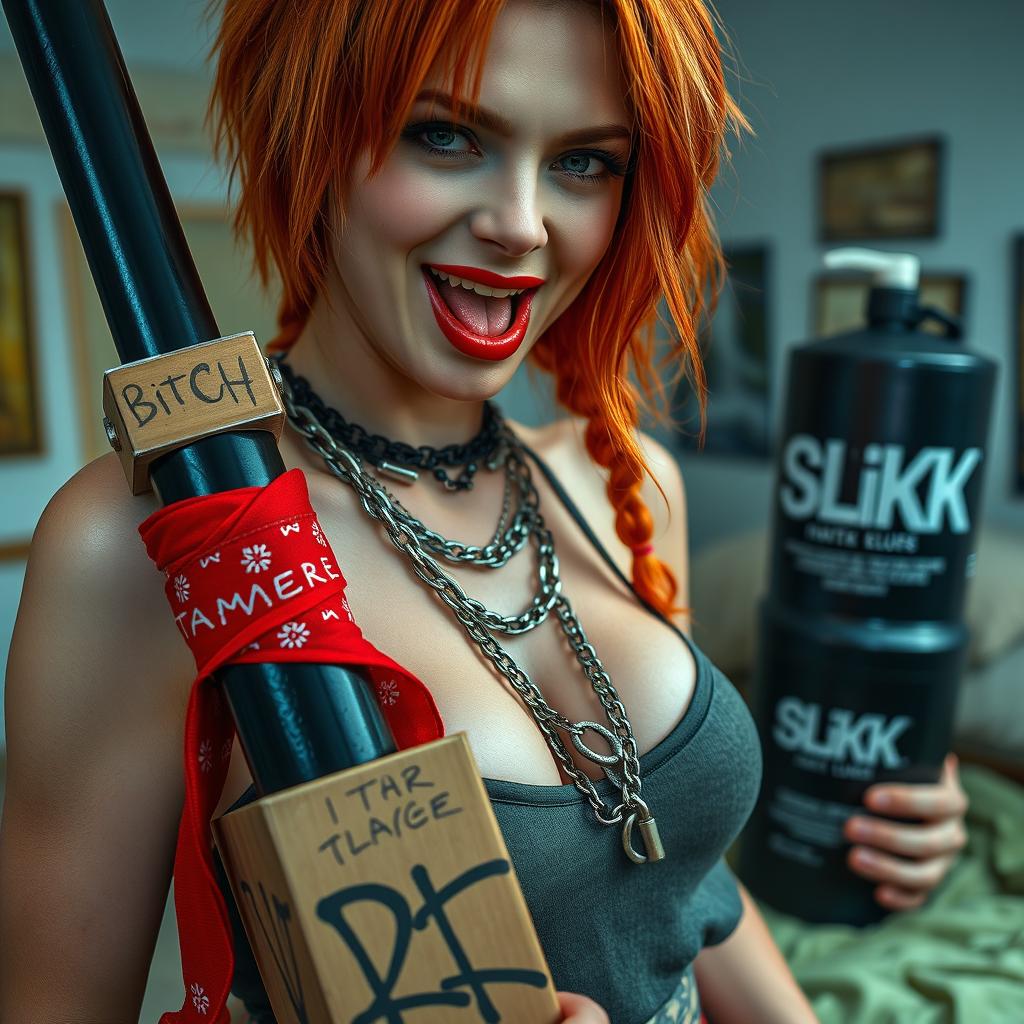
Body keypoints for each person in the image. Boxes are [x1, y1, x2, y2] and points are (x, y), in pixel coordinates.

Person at [0, 0, 968, 1021]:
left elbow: (680, 887)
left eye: (585, 161)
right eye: (445, 134)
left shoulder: (625, 481)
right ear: (311, 136)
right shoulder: (157, 541)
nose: (520, 222)